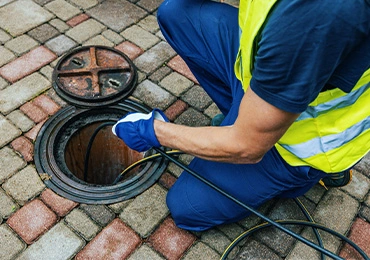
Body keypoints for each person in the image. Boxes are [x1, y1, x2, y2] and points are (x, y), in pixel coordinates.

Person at [113, 0, 370, 231]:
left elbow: (247, 147)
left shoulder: (314, 15)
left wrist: (154, 131)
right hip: (266, 73)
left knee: (188, 207)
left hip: (301, 142)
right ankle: (247, 119)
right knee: (176, 13)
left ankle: (302, 179)